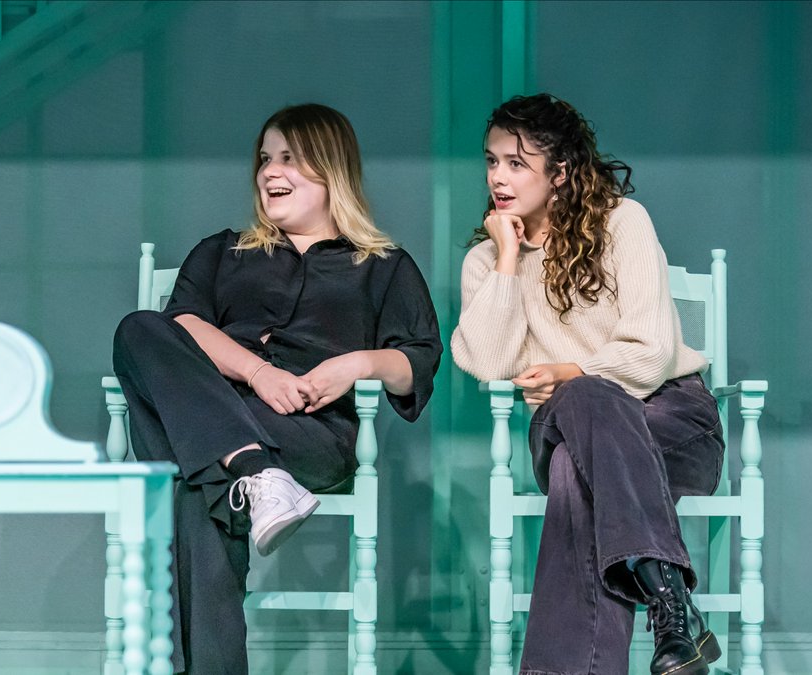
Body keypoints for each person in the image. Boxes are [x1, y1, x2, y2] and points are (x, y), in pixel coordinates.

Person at [112, 103, 442, 675]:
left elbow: (418, 362)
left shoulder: (382, 266)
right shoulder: (223, 251)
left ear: (331, 167)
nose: (269, 171)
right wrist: (259, 373)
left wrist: (355, 364)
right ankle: (252, 470)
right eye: (265, 158)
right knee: (138, 329)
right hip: (224, 413)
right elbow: (182, 324)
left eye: (288, 157)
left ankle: (249, 470)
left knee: (193, 474)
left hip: (310, 430)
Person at [452, 93, 725, 675]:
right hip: (568, 423)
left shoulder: (623, 223)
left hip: (674, 420)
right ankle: (672, 604)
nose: (498, 177)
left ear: (561, 172)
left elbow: (651, 355)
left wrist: (572, 372)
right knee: (582, 408)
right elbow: (487, 360)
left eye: (517, 163)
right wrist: (506, 258)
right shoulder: (484, 261)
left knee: (573, 472)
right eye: (491, 160)